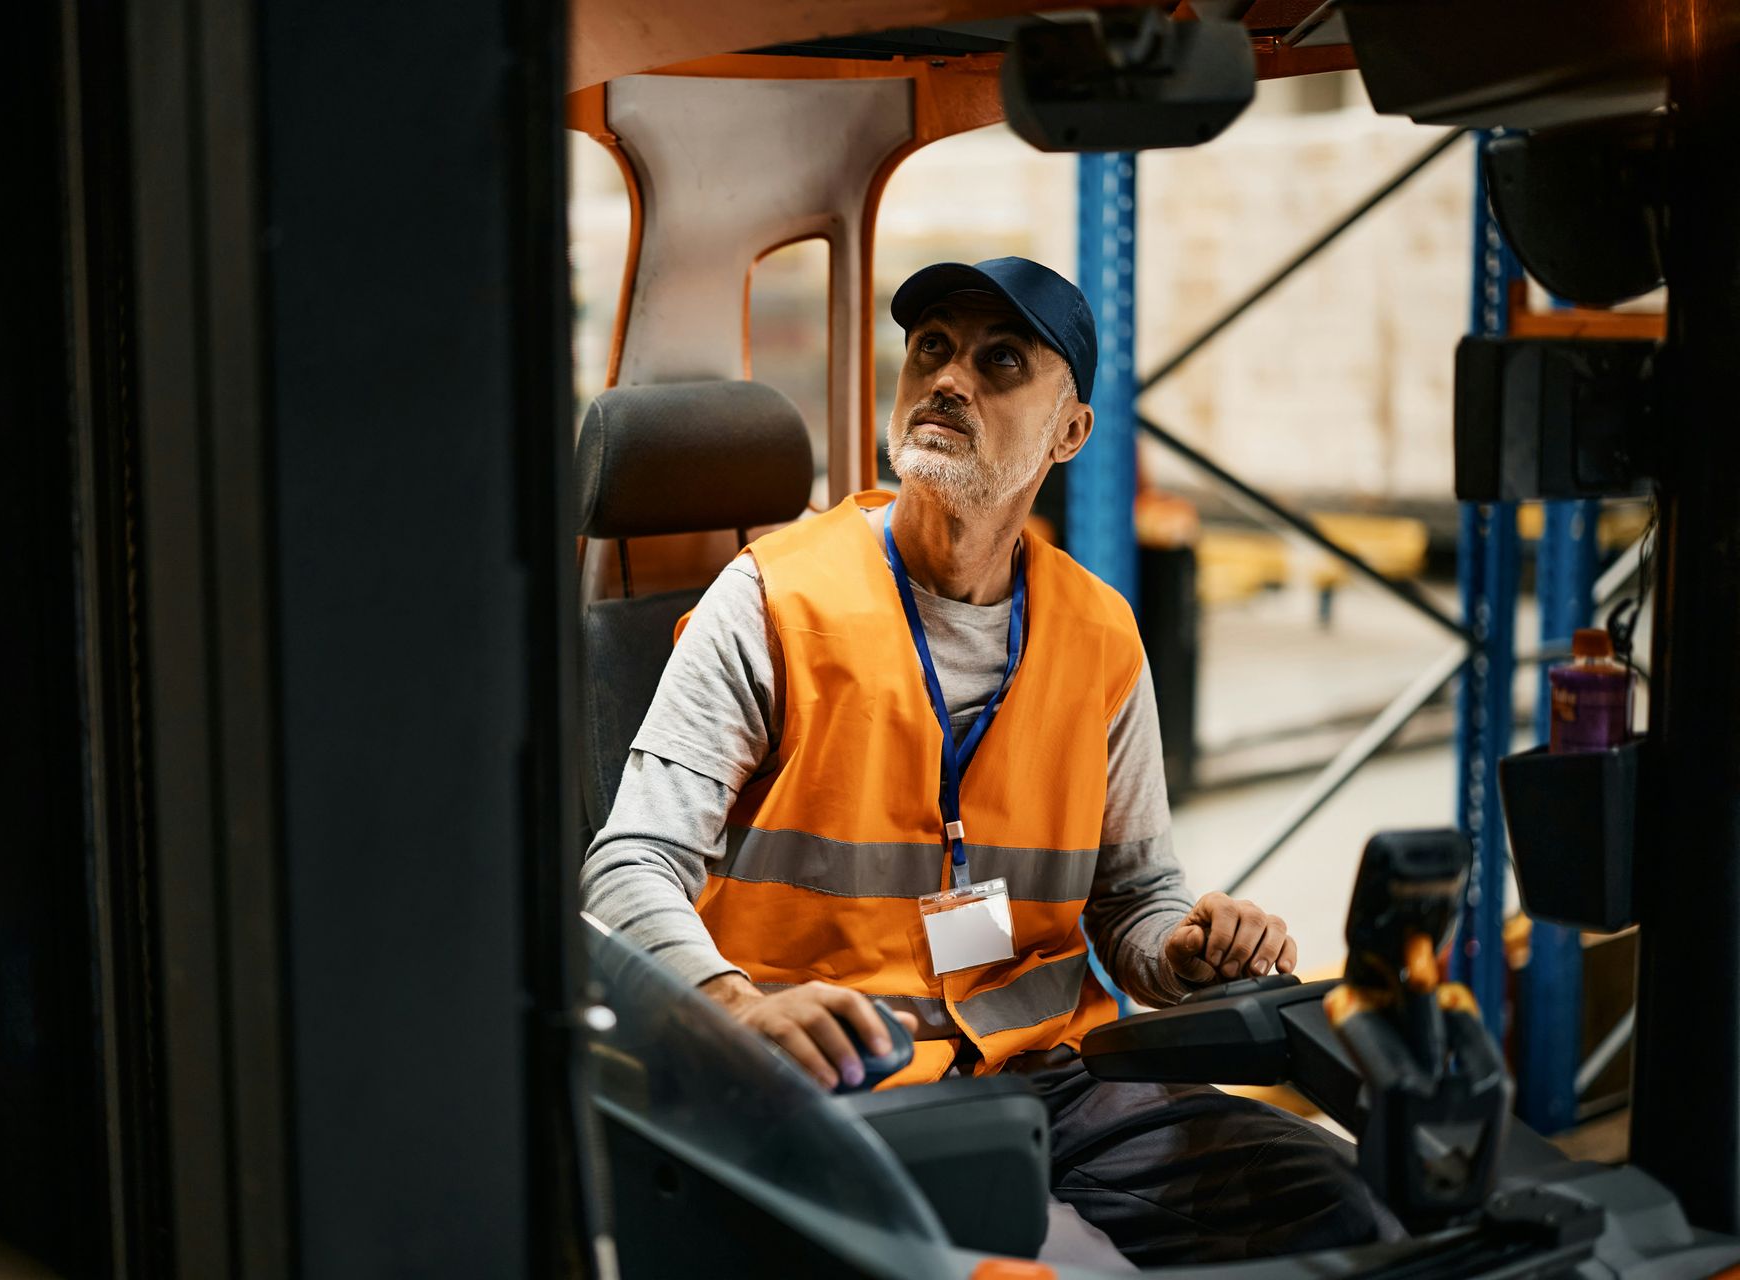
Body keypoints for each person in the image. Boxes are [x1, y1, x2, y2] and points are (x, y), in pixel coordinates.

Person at [581, 256, 1391, 1265]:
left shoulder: (1100, 636)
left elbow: (1136, 898)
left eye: (1000, 360)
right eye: (931, 351)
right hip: (845, 1084)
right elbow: (625, 869)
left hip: (1060, 1077)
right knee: (1054, 1262)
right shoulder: (773, 603)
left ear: (1070, 432)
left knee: (1341, 1209)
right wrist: (735, 1009)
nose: (948, 379)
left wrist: (1185, 950)